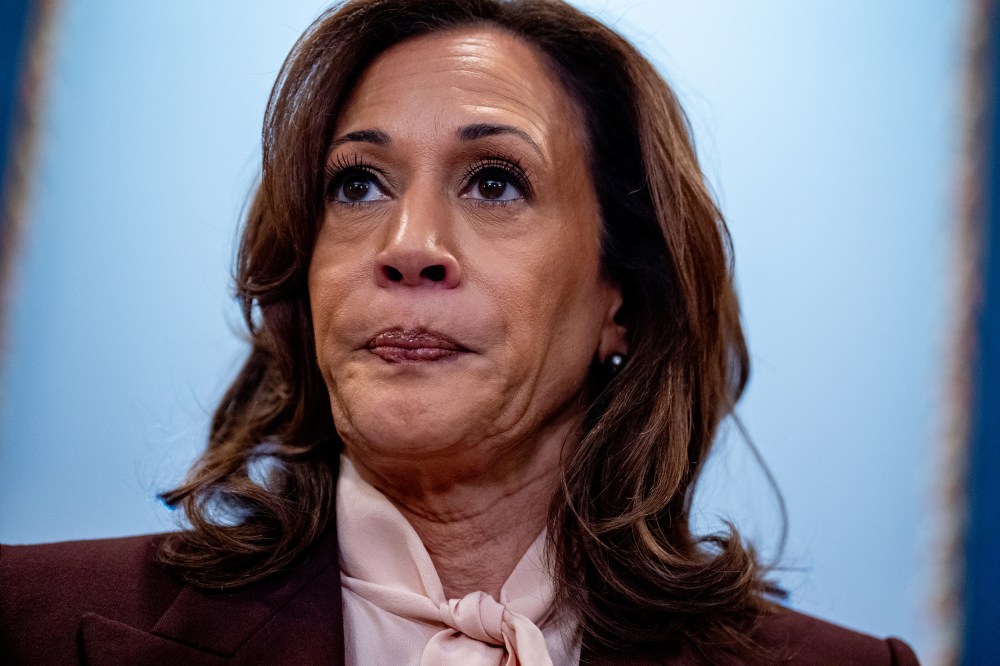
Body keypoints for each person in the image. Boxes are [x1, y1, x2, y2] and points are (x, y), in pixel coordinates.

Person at [0, 0, 920, 663]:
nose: (408, 248)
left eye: (494, 181)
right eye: (357, 184)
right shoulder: (28, 623)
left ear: (624, 300)